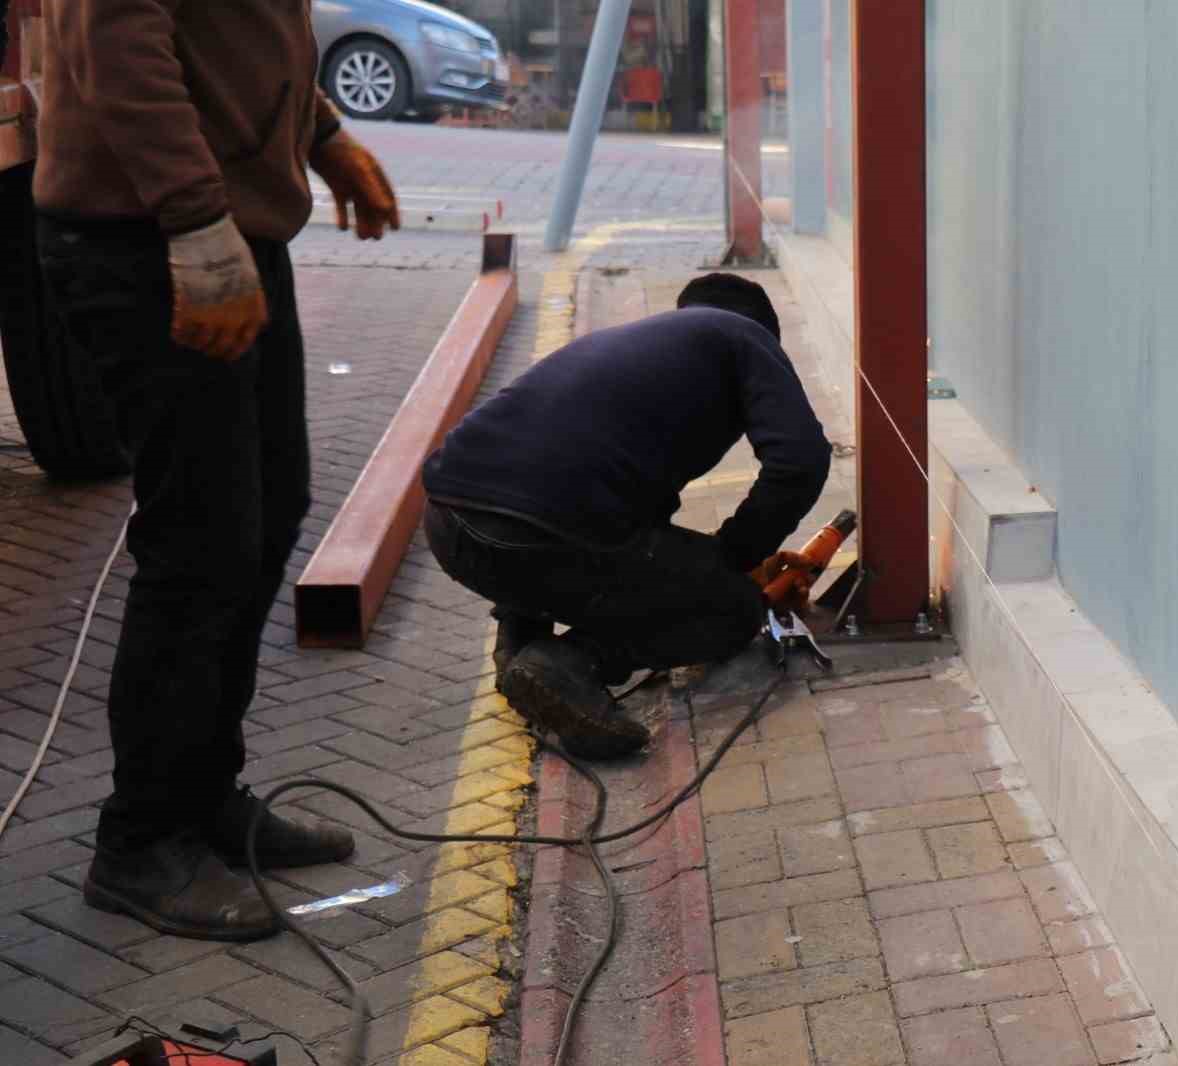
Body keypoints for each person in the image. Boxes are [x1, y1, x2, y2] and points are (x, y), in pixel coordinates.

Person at [33, 0, 401, 940]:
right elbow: (114, 37)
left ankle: (203, 797)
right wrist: (196, 223)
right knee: (202, 542)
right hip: (149, 238)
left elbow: (245, 31)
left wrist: (323, 135)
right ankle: (140, 842)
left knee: (269, 512)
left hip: (227, 228)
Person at [422, 274, 831, 760]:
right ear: (767, 333)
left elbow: (633, 523)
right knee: (733, 607)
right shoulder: (744, 336)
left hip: (450, 527)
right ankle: (570, 663)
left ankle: (521, 637)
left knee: (596, 529)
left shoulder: (632, 348)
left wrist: (712, 559)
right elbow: (801, 460)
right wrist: (735, 557)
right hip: (542, 538)